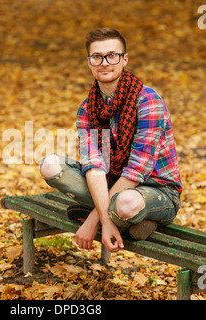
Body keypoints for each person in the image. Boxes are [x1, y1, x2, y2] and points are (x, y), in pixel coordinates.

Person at [40, 27, 182, 253]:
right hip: (111, 183)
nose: (104, 62)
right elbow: (94, 166)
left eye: (112, 55)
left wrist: (94, 220)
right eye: (97, 57)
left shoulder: (147, 101)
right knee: (50, 166)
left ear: (124, 59)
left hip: (159, 191)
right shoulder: (88, 109)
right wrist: (106, 220)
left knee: (126, 203)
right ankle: (129, 222)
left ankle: (120, 215)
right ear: (89, 62)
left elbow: (138, 170)